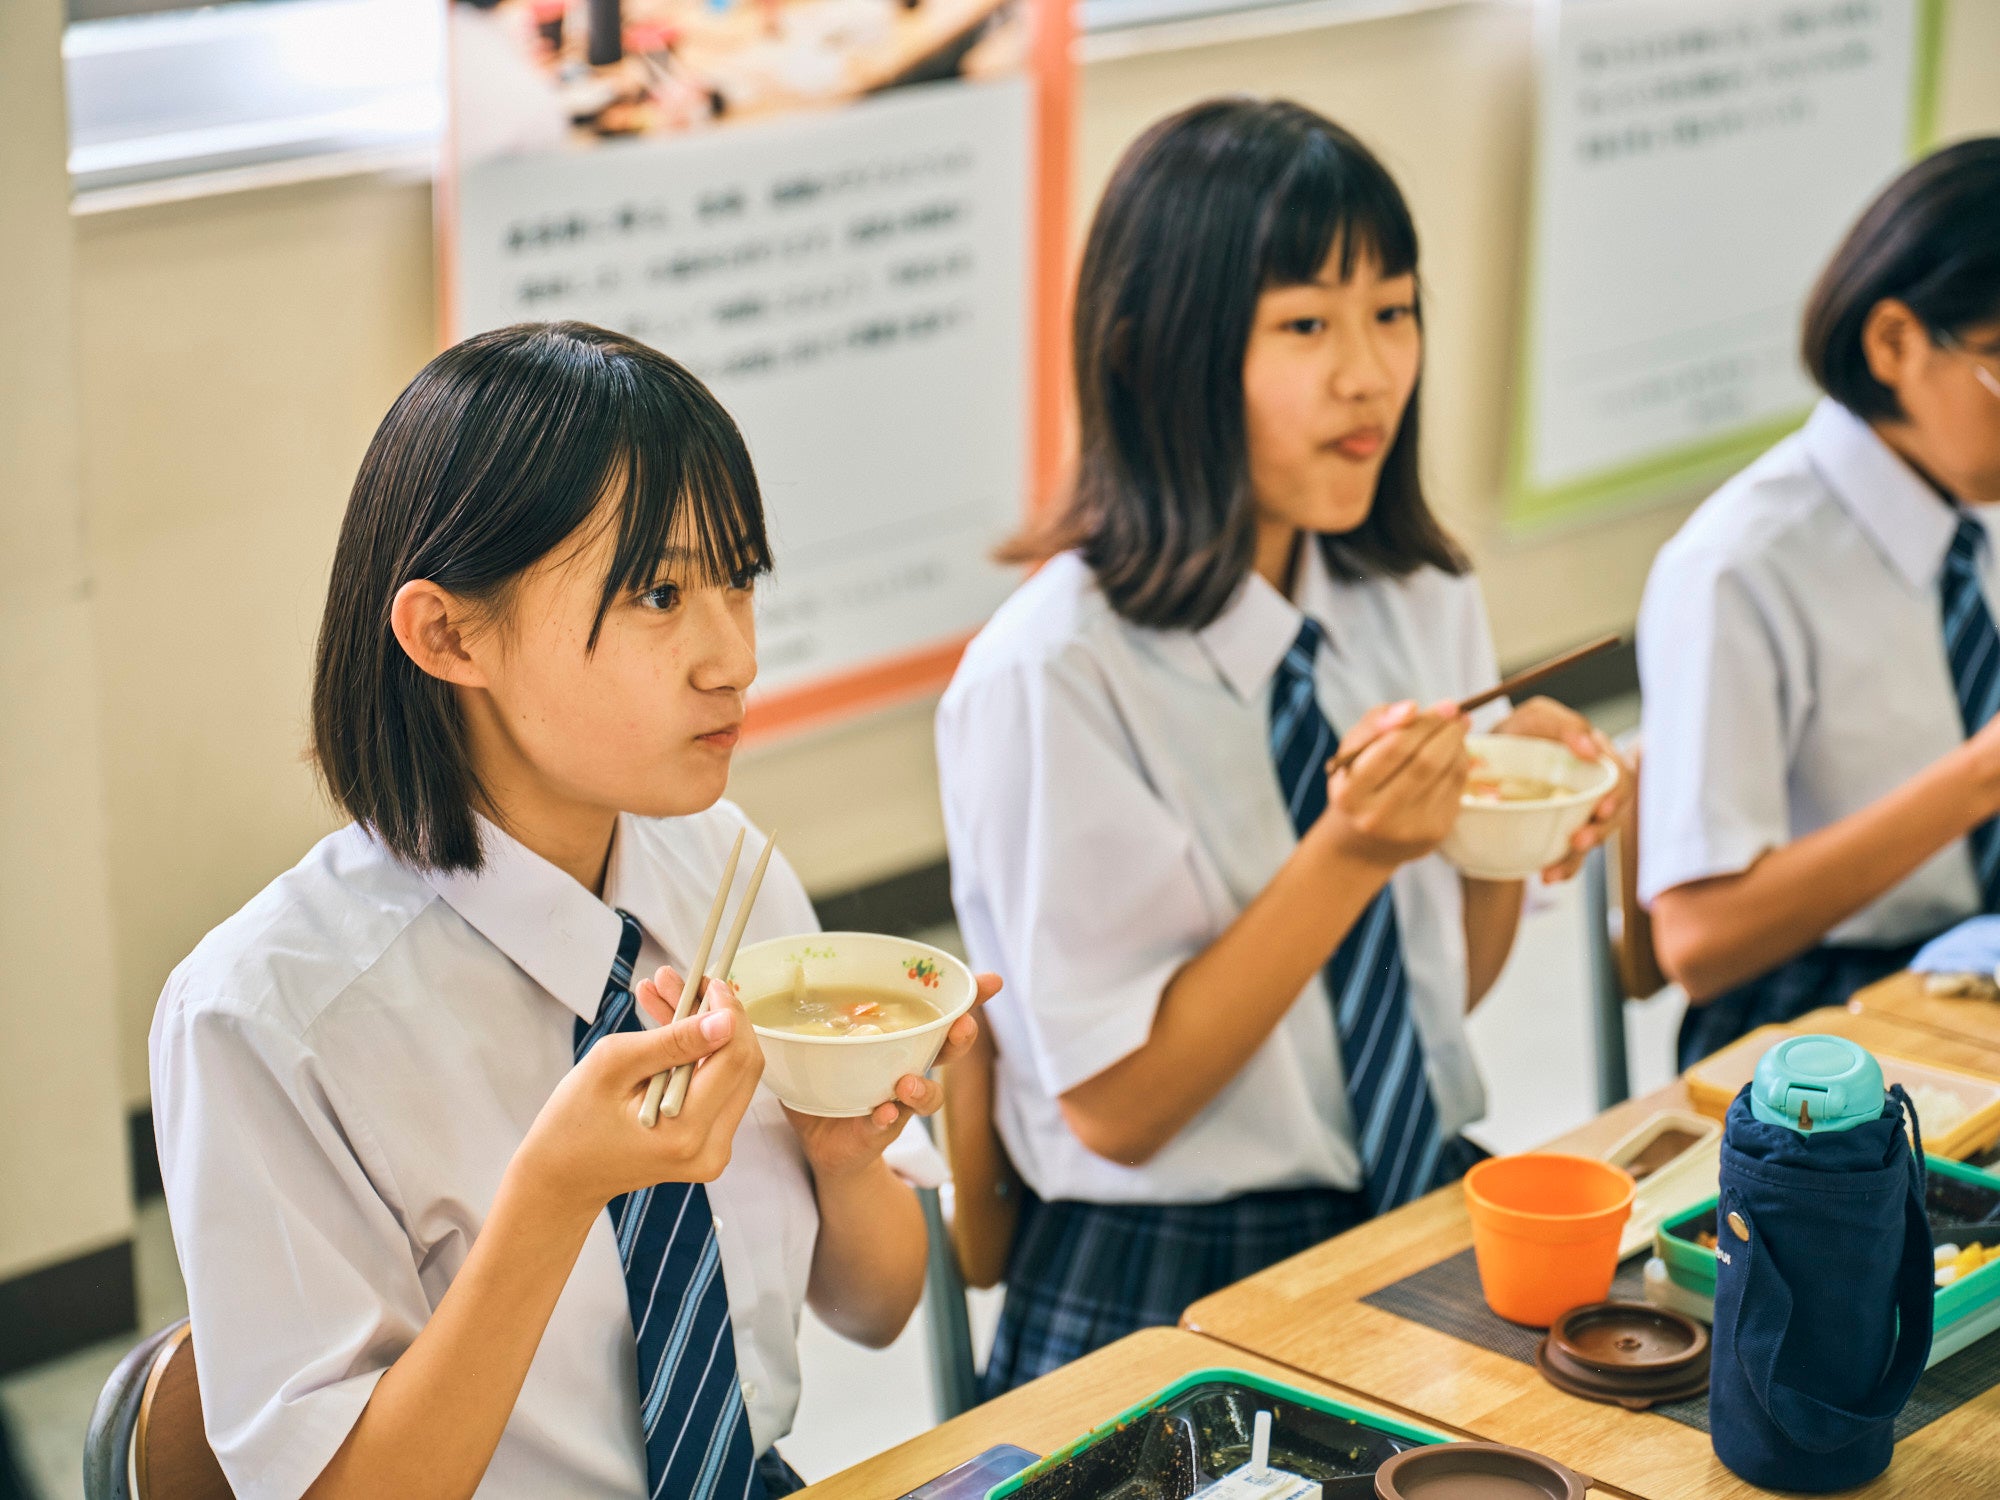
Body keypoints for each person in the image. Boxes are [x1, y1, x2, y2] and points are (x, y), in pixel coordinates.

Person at [150, 322, 998, 1500]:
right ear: (448, 634)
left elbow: (877, 1305)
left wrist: (844, 1158)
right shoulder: (263, 1017)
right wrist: (554, 1193)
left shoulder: (721, 867)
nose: (734, 658)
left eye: (737, 577)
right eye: (658, 592)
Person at [934, 99, 1631, 1394]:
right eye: (1307, 324)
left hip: (1418, 1196)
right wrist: (1354, 851)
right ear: (1160, 360)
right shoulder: (1053, 671)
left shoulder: (1412, 591)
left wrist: (1497, 831)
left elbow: (1433, 998)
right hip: (1167, 1267)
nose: (1369, 372)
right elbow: (1120, 1111)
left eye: (1395, 310)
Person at [1638, 138, 2000, 1066]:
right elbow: (1699, 943)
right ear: (1893, 344)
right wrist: (1977, 779)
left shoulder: (1977, 494)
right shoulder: (1739, 566)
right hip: (1814, 1013)